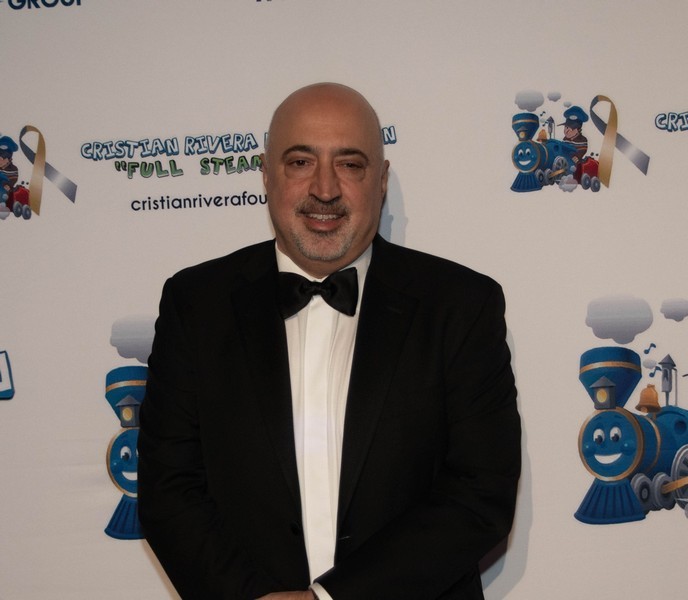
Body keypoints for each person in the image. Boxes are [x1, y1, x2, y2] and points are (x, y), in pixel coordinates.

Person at [138, 82, 521, 600]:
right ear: (266, 175)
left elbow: (480, 494)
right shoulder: (195, 305)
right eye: (300, 162)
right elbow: (169, 491)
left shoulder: (460, 305)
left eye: (350, 164)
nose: (324, 189)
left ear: (381, 180)